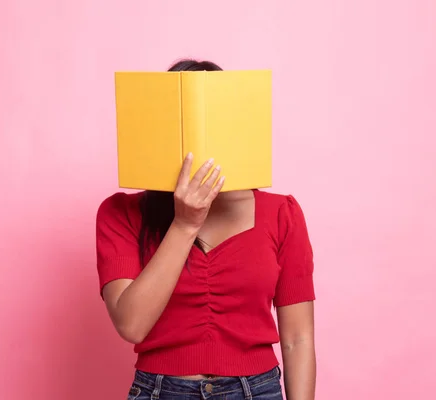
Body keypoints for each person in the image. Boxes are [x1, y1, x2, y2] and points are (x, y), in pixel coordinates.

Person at [96, 59, 316, 400]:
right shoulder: (120, 214)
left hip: (256, 390)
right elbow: (132, 324)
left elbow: (298, 338)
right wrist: (185, 223)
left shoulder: (281, 214)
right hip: (160, 391)